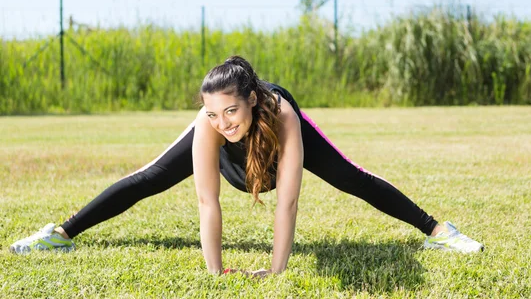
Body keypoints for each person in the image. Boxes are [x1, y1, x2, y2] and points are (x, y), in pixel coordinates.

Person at [10, 56, 483, 275]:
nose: (224, 122)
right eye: (213, 113)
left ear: (252, 101)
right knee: (150, 177)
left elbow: (289, 203)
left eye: (232, 111)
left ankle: (439, 230)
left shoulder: (281, 115)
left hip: (275, 154)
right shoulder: (212, 123)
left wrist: (276, 272)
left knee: (352, 179)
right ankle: (62, 233)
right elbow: (206, 199)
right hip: (237, 168)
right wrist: (216, 272)